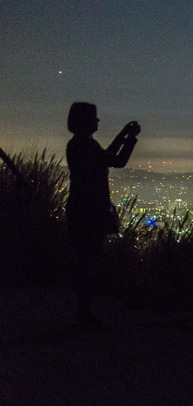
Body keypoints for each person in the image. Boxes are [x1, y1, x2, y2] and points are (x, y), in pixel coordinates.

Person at [66, 102, 140, 329]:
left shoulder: (78, 145)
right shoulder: (85, 146)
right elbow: (116, 160)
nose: (98, 122)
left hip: (80, 209)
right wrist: (130, 139)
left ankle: (84, 312)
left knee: (85, 261)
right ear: (86, 120)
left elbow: (106, 156)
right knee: (89, 263)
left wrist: (123, 135)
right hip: (90, 212)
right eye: (94, 118)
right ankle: (85, 314)